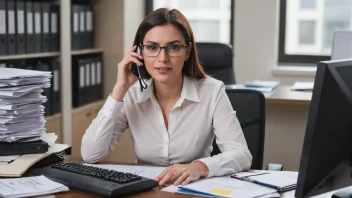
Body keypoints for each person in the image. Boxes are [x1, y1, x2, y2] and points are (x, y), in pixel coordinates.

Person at [81, 8, 252, 186]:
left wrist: (199, 166)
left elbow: (241, 154)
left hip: (192, 189)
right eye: (152, 47)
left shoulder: (212, 91)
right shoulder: (131, 94)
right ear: (140, 52)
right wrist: (120, 88)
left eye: (174, 47)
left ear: (187, 51)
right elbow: (91, 155)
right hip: (146, 191)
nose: (163, 58)